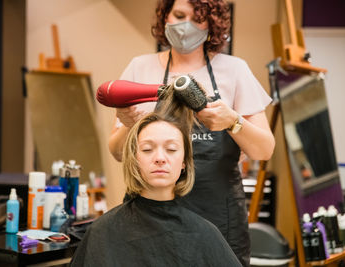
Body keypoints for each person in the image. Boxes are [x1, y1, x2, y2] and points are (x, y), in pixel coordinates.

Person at [108, 0, 275, 265]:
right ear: (165, 17)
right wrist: (128, 123)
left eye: (198, 18)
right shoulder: (140, 68)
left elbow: (264, 150)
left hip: (218, 218)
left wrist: (233, 121)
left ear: (212, 25)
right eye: (179, 14)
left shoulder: (234, 70)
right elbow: (117, 152)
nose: (186, 25)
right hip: (149, 220)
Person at [70, 109, 242, 266]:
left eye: (171, 149)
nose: (160, 158)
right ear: (134, 160)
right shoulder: (102, 233)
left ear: (184, 162)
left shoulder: (205, 234)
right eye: (147, 149)